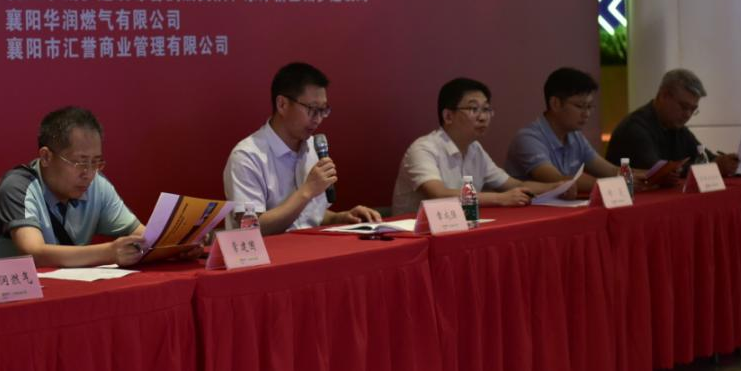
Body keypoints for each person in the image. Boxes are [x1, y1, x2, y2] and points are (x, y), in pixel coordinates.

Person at [0, 106, 148, 267]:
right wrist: (109, 253)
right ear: (46, 157)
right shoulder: (18, 186)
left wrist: (160, 244)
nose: (89, 173)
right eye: (80, 162)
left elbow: (145, 238)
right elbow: (34, 253)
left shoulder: (97, 185)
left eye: (96, 162)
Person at [223, 62, 382, 235]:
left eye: (323, 110)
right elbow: (251, 228)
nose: (318, 119)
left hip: (312, 246)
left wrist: (340, 218)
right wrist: (307, 190)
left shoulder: (312, 147)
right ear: (282, 104)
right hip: (269, 252)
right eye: (312, 109)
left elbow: (308, 216)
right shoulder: (247, 156)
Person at [391, 77, 564, 216]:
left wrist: (557, 187)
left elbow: (513, 185)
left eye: (486, 109)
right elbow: (439, 194)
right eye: (474, 109)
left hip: (460, 228)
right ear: (448, 116)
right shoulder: (424, 148)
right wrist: (500, 199)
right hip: (414, 235)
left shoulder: (475, 149)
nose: (483, 117)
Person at [606, 68, 741, 177]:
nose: (688, 115)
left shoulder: (676, 127)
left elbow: (705, 157)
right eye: (683, 107)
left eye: (693, 109)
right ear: (664, 96)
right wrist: (713, 168)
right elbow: (658, 173)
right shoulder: (635, 129)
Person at [505, 67, 632, 194]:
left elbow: (610, 171)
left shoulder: (575, 136)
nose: (586, 114)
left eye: (589, 106)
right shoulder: (528, 138)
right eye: (580, 106)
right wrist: (619, 184)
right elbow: (558, 180)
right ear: (555, 103)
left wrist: (638, 177)